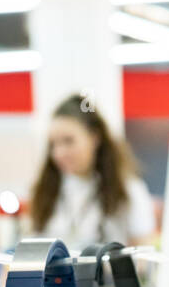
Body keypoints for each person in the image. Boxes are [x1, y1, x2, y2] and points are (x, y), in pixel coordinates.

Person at [28, 95, 155, 250]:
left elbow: (142, 255)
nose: (59, 153)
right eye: (53, 144)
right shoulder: (46, 191)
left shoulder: (127, 190)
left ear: (94, 138)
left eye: (69, 141)